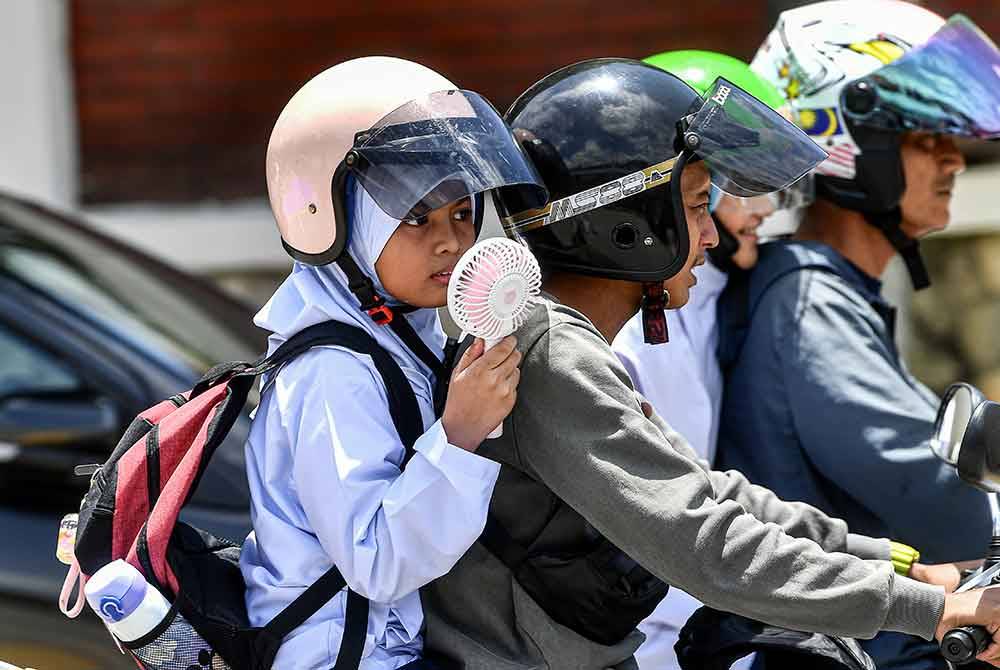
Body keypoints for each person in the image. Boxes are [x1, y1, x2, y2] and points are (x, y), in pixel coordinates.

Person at [420, 57, 1000, 670]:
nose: (712, 237)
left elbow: (711, 493)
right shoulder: (550, 355)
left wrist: (909, 569)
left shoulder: (565, 342)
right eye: (697, 207)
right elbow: (705, 543)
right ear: (629, 226)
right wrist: (929, 611)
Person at [238, 56, 547, 669]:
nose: (452, 241)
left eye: (462, 213)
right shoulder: (332, 372)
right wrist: (461, 434)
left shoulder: (405, 332)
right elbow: (376, 559)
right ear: (336, 222)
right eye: (415, 218)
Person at [717, 2, 1000, 667]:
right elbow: (940, 490)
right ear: (852, 146)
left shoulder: (834, 291)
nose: (954, 159)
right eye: (924, 135)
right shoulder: (810, 302)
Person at [612, 50, 791, 670]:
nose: (765, 209)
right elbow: (680, 505)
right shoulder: (642, 326)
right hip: (659, 638)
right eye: (739, 187)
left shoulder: (711, 298)